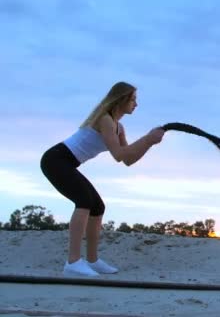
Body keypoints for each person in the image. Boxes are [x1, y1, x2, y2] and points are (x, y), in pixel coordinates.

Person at [40, 81, 165, 276]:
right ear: (121, 100)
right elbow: (118, 154)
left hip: (67, 163)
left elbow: (127, 159)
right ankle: (73, 262)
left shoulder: (119, 127)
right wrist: (147, 138)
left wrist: (149, 143)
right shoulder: (105, 119)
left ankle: (92, 261)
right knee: (84, 201)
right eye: (133, 99)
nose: (136, 104)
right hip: (56, 160)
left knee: (98, 207)